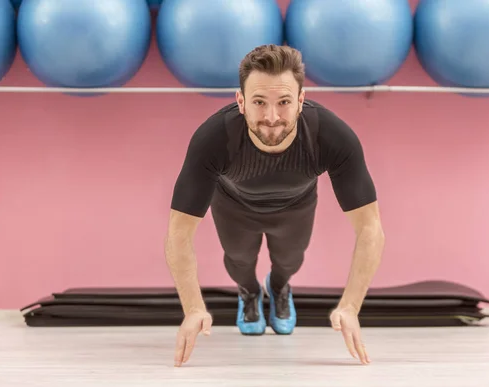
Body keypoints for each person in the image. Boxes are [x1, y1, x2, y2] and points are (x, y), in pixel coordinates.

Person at [164, 44, 385, 367]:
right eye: (258, 102)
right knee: (239, 261)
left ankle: (279, 288)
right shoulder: (213, 139)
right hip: (233, 206)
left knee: (290, 261)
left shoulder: (330, 135)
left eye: (283, 102)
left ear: (300, 99)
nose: (271, 117)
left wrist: (350, 306)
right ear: (240, 102)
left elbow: (370, 227)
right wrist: (194, 308)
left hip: (296, 207)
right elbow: (178, 232)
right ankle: (249, 291)